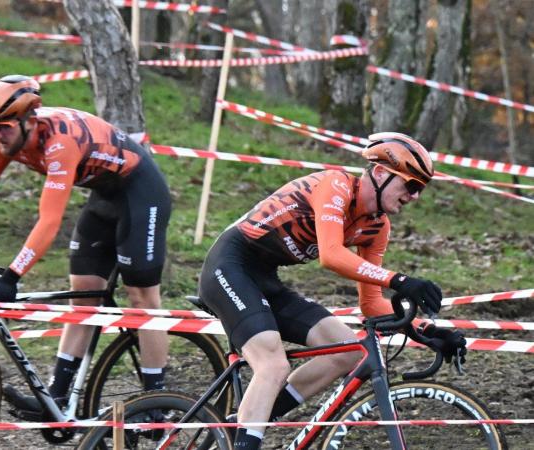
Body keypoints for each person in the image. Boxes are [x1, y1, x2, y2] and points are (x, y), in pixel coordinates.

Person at [0, 75, 172, 415]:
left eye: (3, 127)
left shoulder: (58, 142)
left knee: (141, 296)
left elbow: (49, 220)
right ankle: (58, 397)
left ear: (28, 120)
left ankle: (158, 401)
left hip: (141, 193)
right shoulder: (5, 140)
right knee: (83, 293)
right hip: (105, 196)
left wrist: (13, 274)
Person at [198, 132, 467, 450]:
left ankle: (245, 422)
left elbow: (370, 305)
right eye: (411, 185)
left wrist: (427, 330)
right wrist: (399, 280)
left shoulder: (376, 227)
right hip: (229, 265)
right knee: (273, 365)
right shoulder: (335, 186)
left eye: (420, 189)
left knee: (350, 352)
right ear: (380, 173)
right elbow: (331, 254)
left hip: (264, 279)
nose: (415, 196)